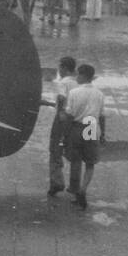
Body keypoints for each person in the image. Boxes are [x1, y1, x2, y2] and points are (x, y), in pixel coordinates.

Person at [63, 64, 105, 208]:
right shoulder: (99, 94)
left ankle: (75, 191)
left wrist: (66, 133)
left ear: (82, 75)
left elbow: (70, 114)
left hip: (77, 127)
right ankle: (83, 189)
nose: (77, 77)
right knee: (90, 162)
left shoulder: (74, 92)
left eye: (78, 75)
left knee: (75, 160)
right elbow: (102, 115)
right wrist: (102, 134)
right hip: (92, 126)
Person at [46, 56, 78, 197]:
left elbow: (61, 98)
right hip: (77, 120)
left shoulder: (63, 82)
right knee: (76, 153)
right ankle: (75, 185)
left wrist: (59, 114)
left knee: (55, 149)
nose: (59, 70)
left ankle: (57, 182)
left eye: (60, 67)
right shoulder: (79, 82)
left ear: (64, 68)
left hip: (62, 118)